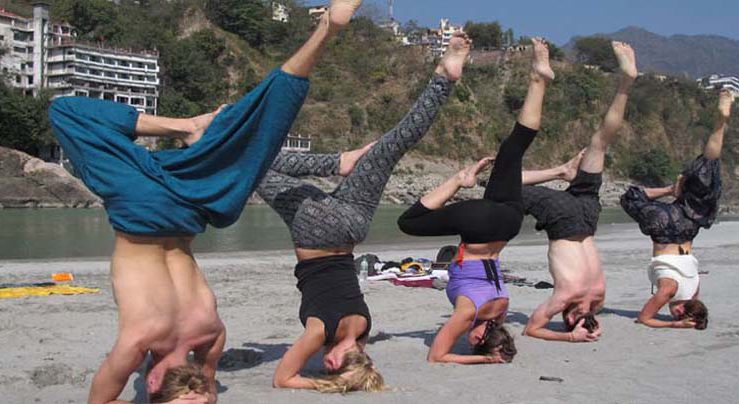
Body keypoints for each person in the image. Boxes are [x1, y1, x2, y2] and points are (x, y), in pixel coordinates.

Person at [47, 1, 363, 402]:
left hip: (188, 206)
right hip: (164, 206)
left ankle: (324, 32)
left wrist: (200, 387)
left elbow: (198, 390)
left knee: (257, 132)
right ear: (153, 383)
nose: (200, 392)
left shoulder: (206, 336)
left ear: (159, 386)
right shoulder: (144, 341)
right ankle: (190, 126)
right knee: (65, 111)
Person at [255, 32, 472, 391]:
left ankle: (443, 77)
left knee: (392, 145)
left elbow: (357, 363)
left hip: (354, 226)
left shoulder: (364, 328)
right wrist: (330, 386)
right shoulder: (320, 330)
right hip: (317, 233)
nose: (328, 367)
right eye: (335, 368)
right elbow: (283, 379)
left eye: (329, 371)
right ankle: (202, 140)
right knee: (255, 165)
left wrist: (353, 373)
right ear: (355, 356)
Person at [397, 38, 556, 364]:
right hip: (480, 227)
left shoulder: (500, 309)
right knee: (407, 223)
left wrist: (495, 347)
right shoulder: (469, 313)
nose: (468, 342)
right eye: (474, 343)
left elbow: (490, 333)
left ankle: (539, 79)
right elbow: (437, 356)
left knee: (512, 151)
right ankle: (460, 179)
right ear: (482, 335)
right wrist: (483, 359)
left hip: (510, 222)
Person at [521, 41, 638, 343]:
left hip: (588, 218)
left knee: (600, 141)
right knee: (501, 183)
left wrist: (584, 323)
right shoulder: (564, 298)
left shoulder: (598, 296)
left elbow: (584, 312)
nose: (568, 319)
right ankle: (561, 171)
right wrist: (570, 337)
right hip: (565, 222)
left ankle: (625, 84)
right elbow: (532, 328)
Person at [620, 89, 732, 330]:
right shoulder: (669, 291)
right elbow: (645, 318)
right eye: (676, 314)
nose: (672, 313)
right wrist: (674, 325)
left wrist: (674, 193)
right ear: (681, 311)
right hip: (663, 232)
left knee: (708, 169)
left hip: (688, 228)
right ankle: (669, 190)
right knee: (631, 197)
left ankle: (720, 124)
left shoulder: (694, 291)